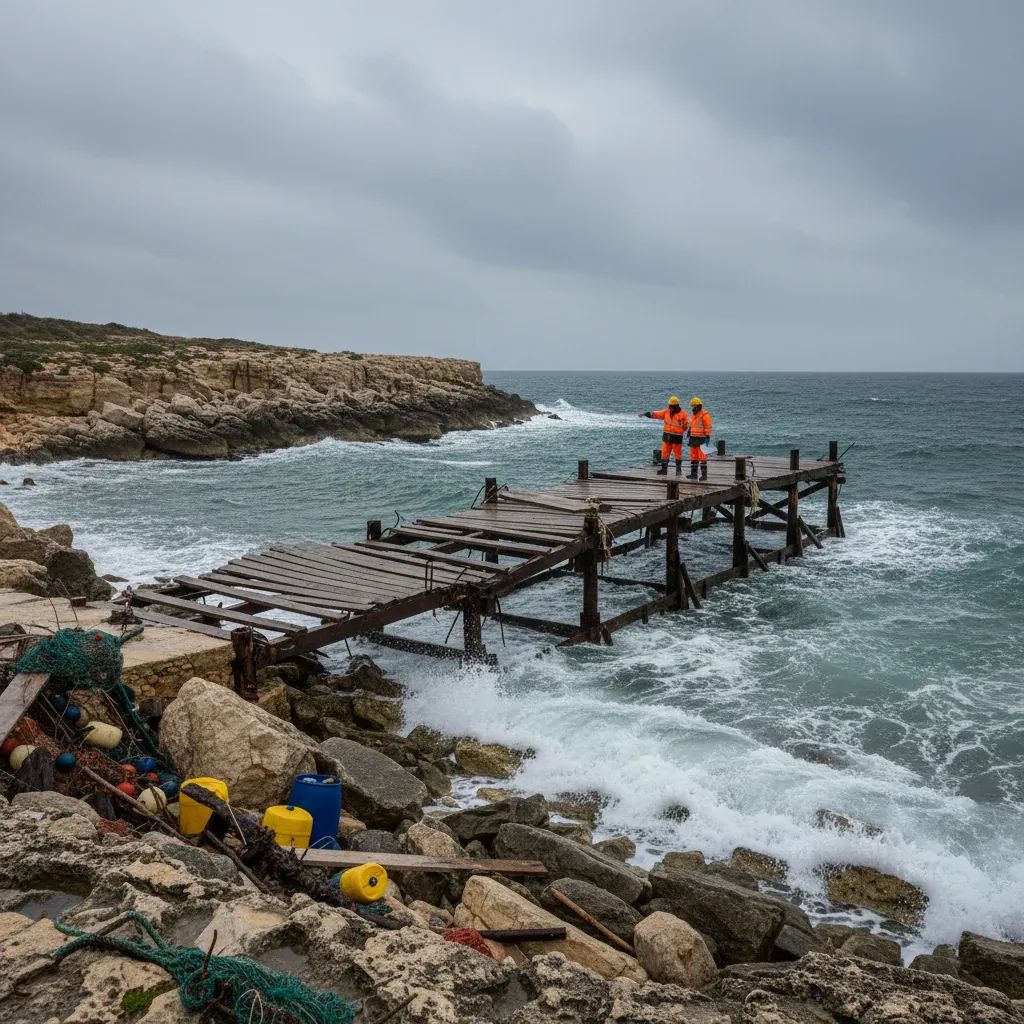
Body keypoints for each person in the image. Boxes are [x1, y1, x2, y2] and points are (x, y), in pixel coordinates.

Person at [640, 395, 689, 474]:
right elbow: (656, 414)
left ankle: (678, 471)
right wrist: (647, 414)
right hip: (667, 436)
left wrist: (681, 431)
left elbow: (687, 425)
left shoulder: (683, 414)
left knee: (678, 454)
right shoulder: (666, 412)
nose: (670, 407)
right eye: (669, 405)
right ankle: (664, 470)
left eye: (671, 405)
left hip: (677, 437)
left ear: (676, 405)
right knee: (665, 453)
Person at [687, 397, 713, 480]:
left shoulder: (704, 415)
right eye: (692, 406)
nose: (692, 408)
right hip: (693, 438)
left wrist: (707, 436)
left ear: (698, 406)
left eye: (694, 406)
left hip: (701, 439)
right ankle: (693, 474)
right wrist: (689, 430)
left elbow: (708, 427)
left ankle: (704, 475)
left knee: (702, 457)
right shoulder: (695, 415)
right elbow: (692, 424)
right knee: (693, 457)